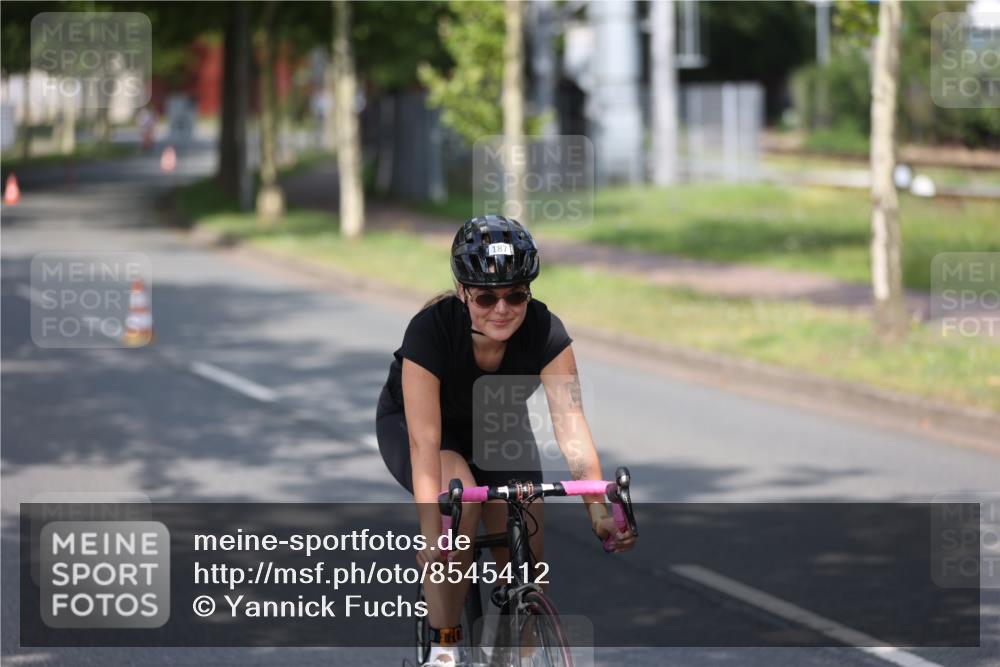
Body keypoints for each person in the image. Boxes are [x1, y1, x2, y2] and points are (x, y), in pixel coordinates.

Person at [376, 215, 636, 666]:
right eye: (485, 297)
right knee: (456, 504)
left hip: (496, 423)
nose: (502, 309)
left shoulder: (546, 331)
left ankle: (519, 655)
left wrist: (598, 510)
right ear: (462, 293)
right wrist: (432, 532)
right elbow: (424, 442)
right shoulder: (430, 331)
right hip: (420, 428)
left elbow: (571, 425)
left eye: (515, 295)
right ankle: (443, 648)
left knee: (527, 554)